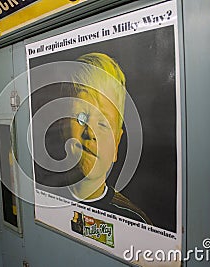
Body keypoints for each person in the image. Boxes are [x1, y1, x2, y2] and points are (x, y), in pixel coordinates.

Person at [64, 52, 152, 224]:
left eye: (103, 124)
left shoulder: (135, 220)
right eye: (81, 117)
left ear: (116, 145)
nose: (91, 133)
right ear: (63, 128)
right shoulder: (44, 195)